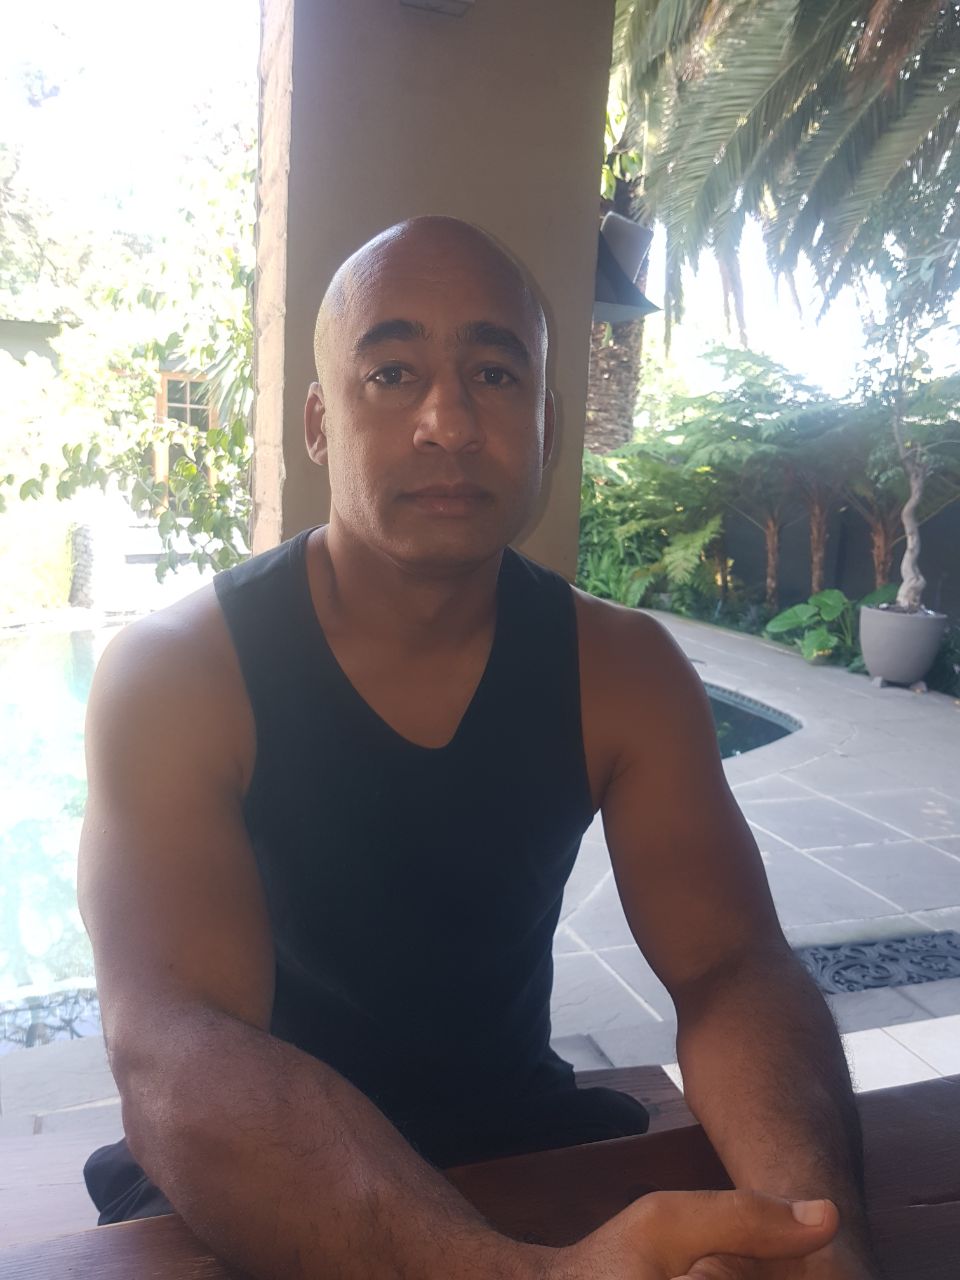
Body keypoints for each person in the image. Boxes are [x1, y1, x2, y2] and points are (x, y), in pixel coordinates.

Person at [78, 216, 880, 1279]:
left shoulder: (622, 671)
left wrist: (810, 1228)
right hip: (251, 1167)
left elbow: (731, 966)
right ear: (319, 422)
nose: (448, 423)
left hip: (517, 1137)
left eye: (495, 375)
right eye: (393, 373)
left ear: (548, 423)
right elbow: (176, 1047)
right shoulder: (180, 675)